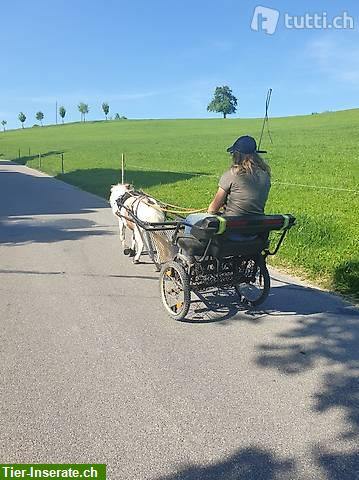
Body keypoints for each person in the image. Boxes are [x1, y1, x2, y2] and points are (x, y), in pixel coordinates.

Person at [207, 135, 271, 216]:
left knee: (190, 220)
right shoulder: (265, 175)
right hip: (257, 225)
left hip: (231, 225)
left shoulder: (232, 174)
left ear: (236, 155)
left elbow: (212, 210)